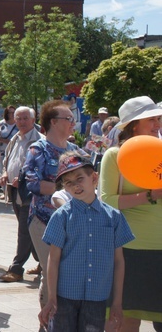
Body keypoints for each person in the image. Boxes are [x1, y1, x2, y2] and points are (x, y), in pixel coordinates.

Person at [38, 151, 134, 332]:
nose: (75, 186)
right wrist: (51, 298)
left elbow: (119, 261)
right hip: (65, 296)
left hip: (97, 296)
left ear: (94, 178)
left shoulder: (113, 217)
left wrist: (117, 302)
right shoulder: (61, 216)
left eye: (80, 179)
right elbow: (53, 259)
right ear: (64, 188)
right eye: (68, 183)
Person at [100, 96, 162, 331]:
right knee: (125, 321)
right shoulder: (115, 155)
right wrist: (150, 196)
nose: (158, 124)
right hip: (129, 251)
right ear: (134, 125)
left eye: (158, 119)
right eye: (151, 120)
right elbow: (107, 201)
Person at [23, 100, 80, 309]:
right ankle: (49, 320)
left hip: (73, 221)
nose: (73, 122)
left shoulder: (76, 151)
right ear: (54, 122)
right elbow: (32, 183)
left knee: (66, 272)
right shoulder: (39, 149)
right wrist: (67, 188)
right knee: (51, 271)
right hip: (43, 220)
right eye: (69, 119)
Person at [0, 106, 43, 283]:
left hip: (30, 192)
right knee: (29, 230)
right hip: (14, 190)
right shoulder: (15, 139)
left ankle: (16, 268)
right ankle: (42, 262)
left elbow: (40, 167)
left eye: (25, 118)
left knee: (24, 230)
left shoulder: (40, 141)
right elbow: (7, 160)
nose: (22, 122)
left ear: (33, 120)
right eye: (18, 118)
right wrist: (4, 173)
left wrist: (24, 178)